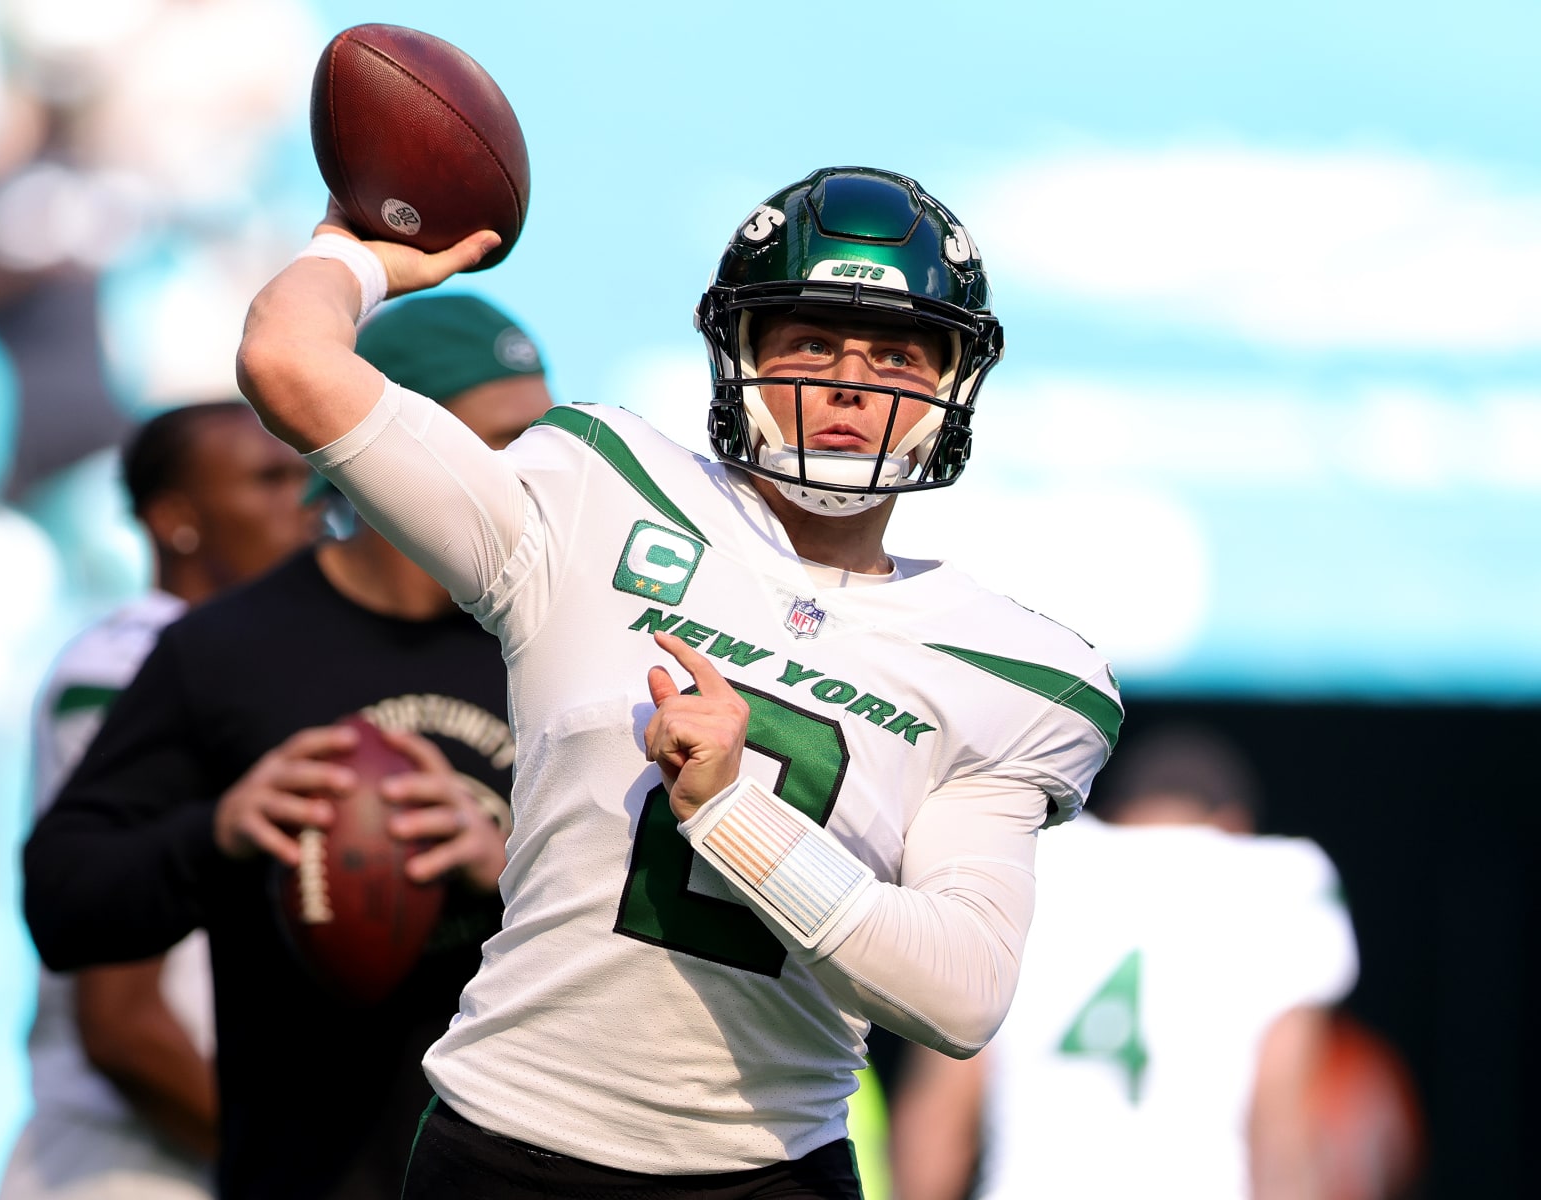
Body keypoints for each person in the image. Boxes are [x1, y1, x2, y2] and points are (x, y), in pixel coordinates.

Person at [234, 165, 1123, 1199]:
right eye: (812, 341)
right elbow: (288, 362)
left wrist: (734, 816)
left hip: (766, 1174)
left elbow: (961, 995)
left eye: (896, 351)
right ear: (740, 353)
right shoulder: (596, 489)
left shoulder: (1014, 675)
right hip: (507, 1147)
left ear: (949, 383)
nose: (852, 380)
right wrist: (352, 257)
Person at [23, 293, 552, 1200]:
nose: (543, 471)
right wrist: (219, 833)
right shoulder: (224, 650)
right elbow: (64, 902)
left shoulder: (567, 645)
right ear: (402, 441)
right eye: (506, 441)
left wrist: (511, 872)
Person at [2, 399, 321, 1200]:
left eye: (311, 477)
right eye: (269, 480)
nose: (310, 504)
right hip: (136, 1159)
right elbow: (122, 1021)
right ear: (175, 518)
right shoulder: (126, 670)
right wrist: (299, 1177)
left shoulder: (262, 659)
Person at [889, 724, 1360, 1200]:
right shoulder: (1281, 880)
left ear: (1116, 813)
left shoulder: (1037, 858)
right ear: (1235, 824)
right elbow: (1279, 1130)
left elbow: (940, 1116)